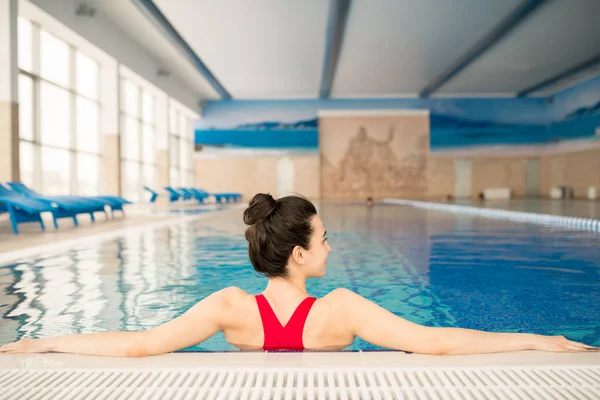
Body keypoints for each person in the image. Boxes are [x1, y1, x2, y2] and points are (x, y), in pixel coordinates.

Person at [1, 193, 597, 357]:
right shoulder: (341, 310)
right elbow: (437, 343)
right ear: (298, 255)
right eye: (326, 239)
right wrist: (537, 338)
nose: (333, 249)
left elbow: (137, 347)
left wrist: (44, 340)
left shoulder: (229, 307)